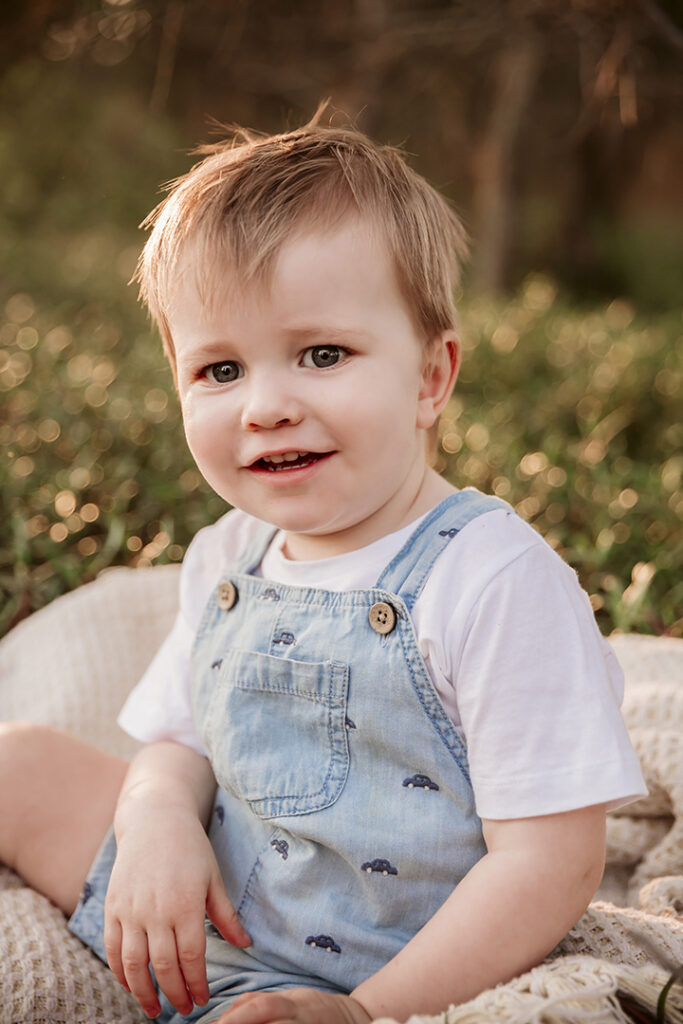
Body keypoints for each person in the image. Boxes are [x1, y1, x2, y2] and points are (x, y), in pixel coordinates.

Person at [0, 112, 646, 1024]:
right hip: (204, 919)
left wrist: (364, 1013)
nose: (265, 406)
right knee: (16, 765)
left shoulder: (490, 577)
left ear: (429, 378)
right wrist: (155, 825)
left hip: (392, 968)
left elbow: (552, 862)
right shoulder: (231, 552)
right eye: (219, 370)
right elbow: (178, 743)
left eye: (322, 355)